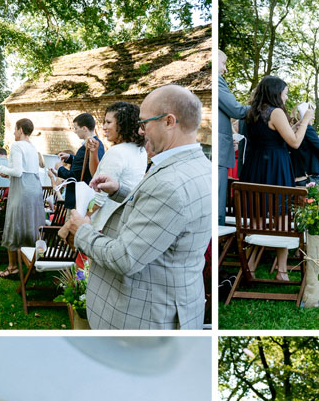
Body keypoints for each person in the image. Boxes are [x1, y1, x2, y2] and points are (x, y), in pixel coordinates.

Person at [59, 85, 210, 330]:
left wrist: (82, 230)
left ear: (169, 121)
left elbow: (125, 257)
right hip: (171, 302)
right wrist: (120, 190)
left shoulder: (170, 182)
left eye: (145, 123)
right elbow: (163, 215)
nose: (140, 131)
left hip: (143, 317)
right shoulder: (199, 165)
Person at [238, 76, 313, 280]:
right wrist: (306, 120)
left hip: (255, 167)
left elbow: (276, 134)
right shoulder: (276, 111)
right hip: (275, 167)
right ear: (275, 92)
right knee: (282, 217)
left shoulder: (251, 112)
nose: (286, 97)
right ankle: (281, 271)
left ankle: (251, 266)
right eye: (285, 93)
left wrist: (296, 124)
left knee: (257, 219)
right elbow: (295, 143)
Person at [0, 119, 42, 279]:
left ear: (20, 130)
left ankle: (13, 266)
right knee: (30, 226)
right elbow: (24, 171)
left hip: (22, 191)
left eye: (15, 129)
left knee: (14, 224)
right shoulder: (32, 148)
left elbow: (18, 172)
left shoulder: (17, 146)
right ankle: (32, 265)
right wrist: (7, 172)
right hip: (34, 190)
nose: (13, 132)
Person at [89, 101, 147, 231]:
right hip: (123, 222)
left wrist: (79, 221)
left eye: (109, 122)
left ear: (123, 125)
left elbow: (99, 198)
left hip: (102, 223)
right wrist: (94, 154)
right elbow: (98, 178)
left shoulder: (117, 152)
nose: (104, 127)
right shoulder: (141, 150)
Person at [218, 50, 248, 225]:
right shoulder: (216, 79)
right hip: (220, 154)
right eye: (223, 63)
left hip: (225, 147)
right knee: (218, 208)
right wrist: (262, 105)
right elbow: (236, 110)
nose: (225, 69)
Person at [53, 112, 104, 210]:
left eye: (76, 128)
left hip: (79, 198)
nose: (75, 131)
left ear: (84, 128)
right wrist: (70, 157)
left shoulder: (87, 148)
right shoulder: (98, 144)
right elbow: (84, 164)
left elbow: (74, 176)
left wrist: (60, 168)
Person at [288, 109, 319, 186]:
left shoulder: (291, 130)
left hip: (295, 177)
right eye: (311, 115)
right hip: (308, 177)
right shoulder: (308, 129)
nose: (313, 118)